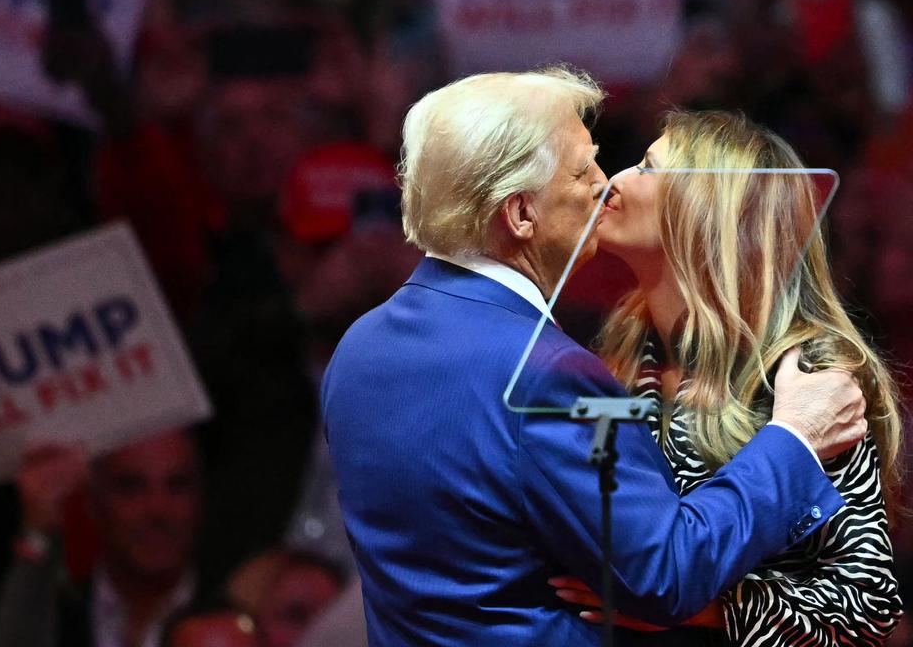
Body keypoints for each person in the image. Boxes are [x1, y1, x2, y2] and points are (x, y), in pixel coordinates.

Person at [321, 67, 868, 645]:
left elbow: (862, 599)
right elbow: (665, 575)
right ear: (521, 215)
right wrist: (797, 437)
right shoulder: (548, 372)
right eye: (583, 171)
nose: (606, 184)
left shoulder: (358, 348)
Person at [553, 110, 903, 644]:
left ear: (706, 211)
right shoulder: (624, 352)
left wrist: (702, 607)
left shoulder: (808, 371)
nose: (612, 180)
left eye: (647, 167)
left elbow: (868, 606)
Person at [0, 428, 203, 647]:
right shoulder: (58, 616)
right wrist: (38, 532)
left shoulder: (231, 612)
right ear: (92, 503)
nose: (157, 509)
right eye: (131, 487)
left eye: (178, 485)